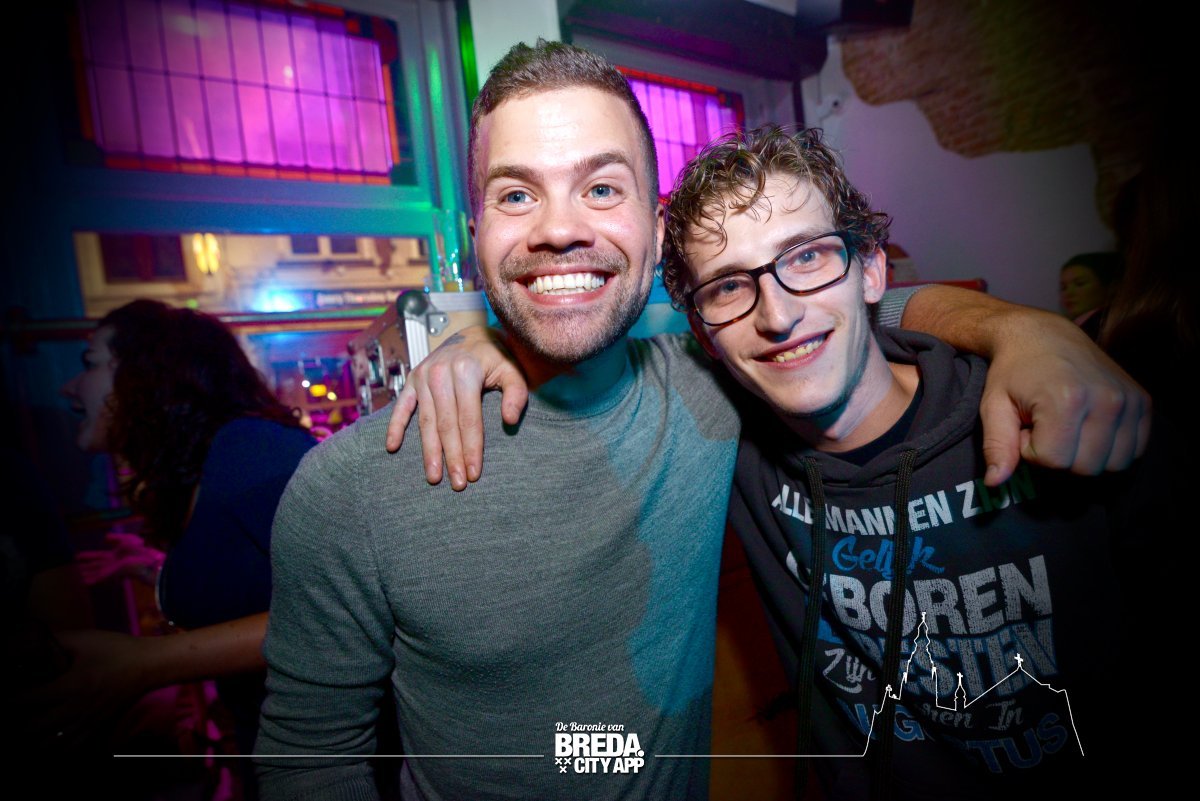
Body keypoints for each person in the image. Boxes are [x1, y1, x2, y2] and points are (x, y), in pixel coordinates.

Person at [259, 40, 1148, 801]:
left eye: (600, 188)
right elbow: (309, 761)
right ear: (475, 229)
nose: (559, 230)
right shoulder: (350, 490)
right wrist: (469, 337)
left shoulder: (716, 387)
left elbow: (843, 304)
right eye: (517, 195)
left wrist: (1026, 328)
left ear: (654, 233)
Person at [662, 126, 1169, 798]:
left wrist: (1024, 329)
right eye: (728, 287)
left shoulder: (1053, 410)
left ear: (871, 271)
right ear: (704, 334)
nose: (778, 315)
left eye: (807, 257)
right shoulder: (728, 447)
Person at [35, 299, 314, 778]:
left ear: (147, 371)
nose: (69, 386)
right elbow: (249, 585)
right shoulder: (206, 470)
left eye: (90, 362)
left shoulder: (250, 448)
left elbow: (347, 609)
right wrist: (154, 573)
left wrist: (144, 665)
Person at [1057, 251, 1122, 340]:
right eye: (1064, 287)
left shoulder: (1105, 327)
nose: (1068, 293)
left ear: (1110, 286)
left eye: (1080, 284)